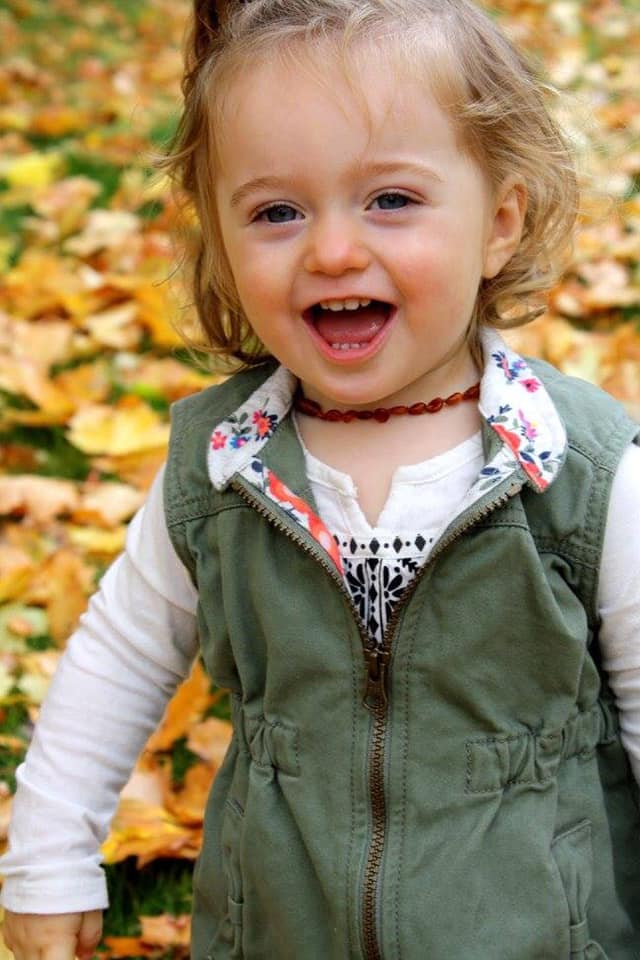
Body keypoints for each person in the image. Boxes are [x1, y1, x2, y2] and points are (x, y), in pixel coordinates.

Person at [2, 0, 640, 957]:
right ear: (220, 242)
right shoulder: (222, 472)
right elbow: (117, 662)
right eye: (276, 212)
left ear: (500, 224)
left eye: (391, 200)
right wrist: (47, 862)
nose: (332, 250)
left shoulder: (577, 471)